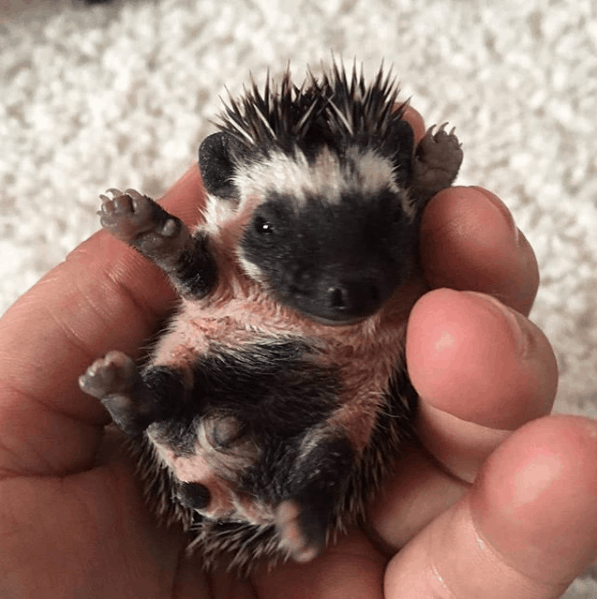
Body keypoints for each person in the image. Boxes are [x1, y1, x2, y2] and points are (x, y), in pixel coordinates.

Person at [0, 107, 595, 599]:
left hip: (322, 389)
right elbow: (194, 266)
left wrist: (429, 189)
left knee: (336, 432)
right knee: (190, 378)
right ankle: (144, 406)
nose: (343, 280)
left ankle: (286, 494)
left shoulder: (386, 241)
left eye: (378, 222)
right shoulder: (230, 250)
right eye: (270, 231)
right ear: (229, 194)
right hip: (250, 368)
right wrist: (158, 232)